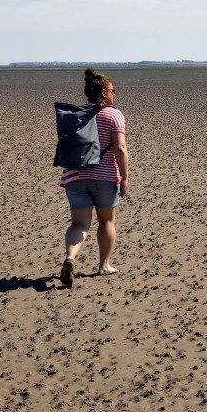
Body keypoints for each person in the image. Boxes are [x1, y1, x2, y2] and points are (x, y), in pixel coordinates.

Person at [59, 68, 129, 288]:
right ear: (103, 94)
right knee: (107, 221)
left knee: (79, 223)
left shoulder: (75, 115)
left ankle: (70, 259)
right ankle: (104, 265)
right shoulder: (113, 114)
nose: (114, 94)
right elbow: (120, 147)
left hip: (76, 176)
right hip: (105, 177)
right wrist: (125, 177)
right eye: (112, 90)